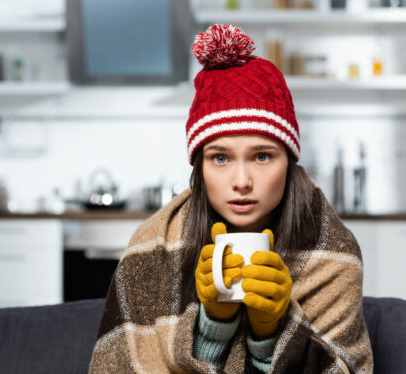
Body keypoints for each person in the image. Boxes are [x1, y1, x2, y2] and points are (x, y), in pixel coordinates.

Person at [89, 24, 373, 373]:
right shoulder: (154, 246)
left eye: (262, 156)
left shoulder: (333, 253)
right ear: (200, 166)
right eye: (220, 158)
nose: (241, 181)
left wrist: (273, 330)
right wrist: (214, 324)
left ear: (289, 162)